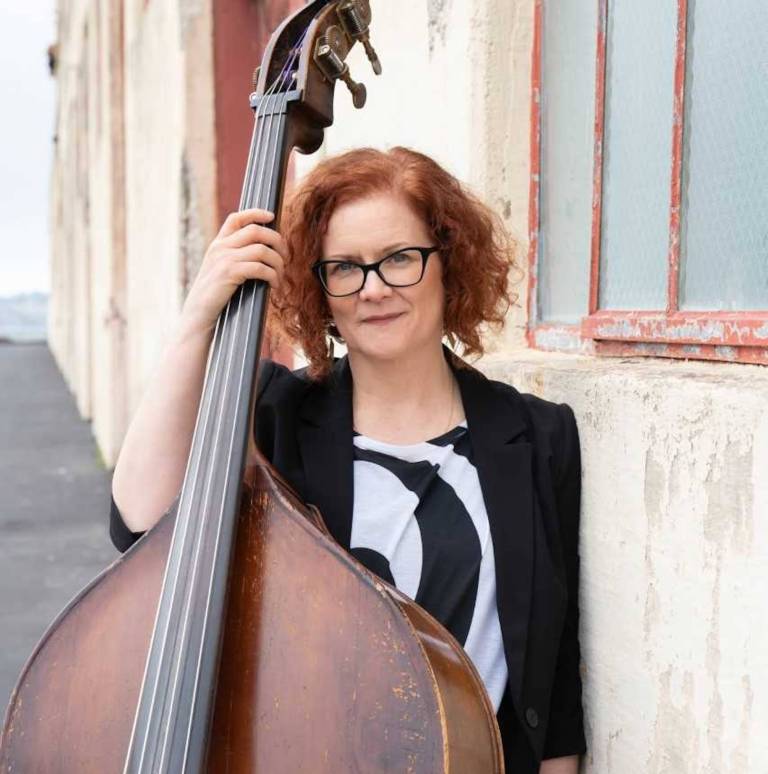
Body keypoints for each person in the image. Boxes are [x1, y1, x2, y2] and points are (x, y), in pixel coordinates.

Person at [109, 146, 586, 773]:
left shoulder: (536, 433)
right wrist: (200, 315)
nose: (374, 289)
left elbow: (552, 683)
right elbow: (138, 522)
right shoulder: (273, 416)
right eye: (345, 268)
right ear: (321, 288)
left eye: (399, 259)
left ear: (450, 262)